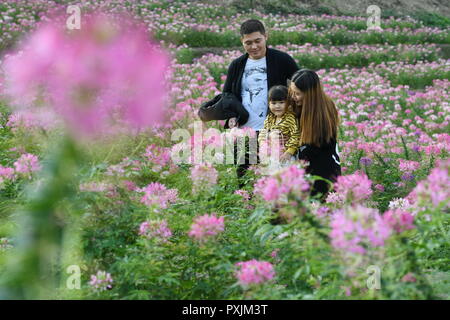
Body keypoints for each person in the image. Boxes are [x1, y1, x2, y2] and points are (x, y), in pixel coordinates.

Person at [222, 19, 299, 186]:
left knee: (275, 176)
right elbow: (227, 94)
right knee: (244, 178)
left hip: (276, 131)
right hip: (244, 130)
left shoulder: (282, 59)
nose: (254, 46)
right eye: (248, 43)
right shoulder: (237, 65)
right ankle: (247, 209)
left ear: (266, 37)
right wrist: (231, 116)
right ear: (242, 42)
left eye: (258, 41)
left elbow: (301, 83)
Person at [287, 69, 341, 200]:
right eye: (292, 92)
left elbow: (315, 146)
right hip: (305, 165)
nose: (293, 97)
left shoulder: (323, 110)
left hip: (322, 169)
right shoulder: (297, 105)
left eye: (297, 94)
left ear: (310, 95)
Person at [258, 85, 300, 172]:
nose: (277, 106)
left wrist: (289, 152)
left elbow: (296, 135)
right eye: (273, 103)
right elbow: (263, 133)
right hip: (271, 155)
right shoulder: (270, 118)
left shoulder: (290, 118)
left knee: (285, 177)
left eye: (281, 102)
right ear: (269, 104)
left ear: (288, 103)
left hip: (285, 155)